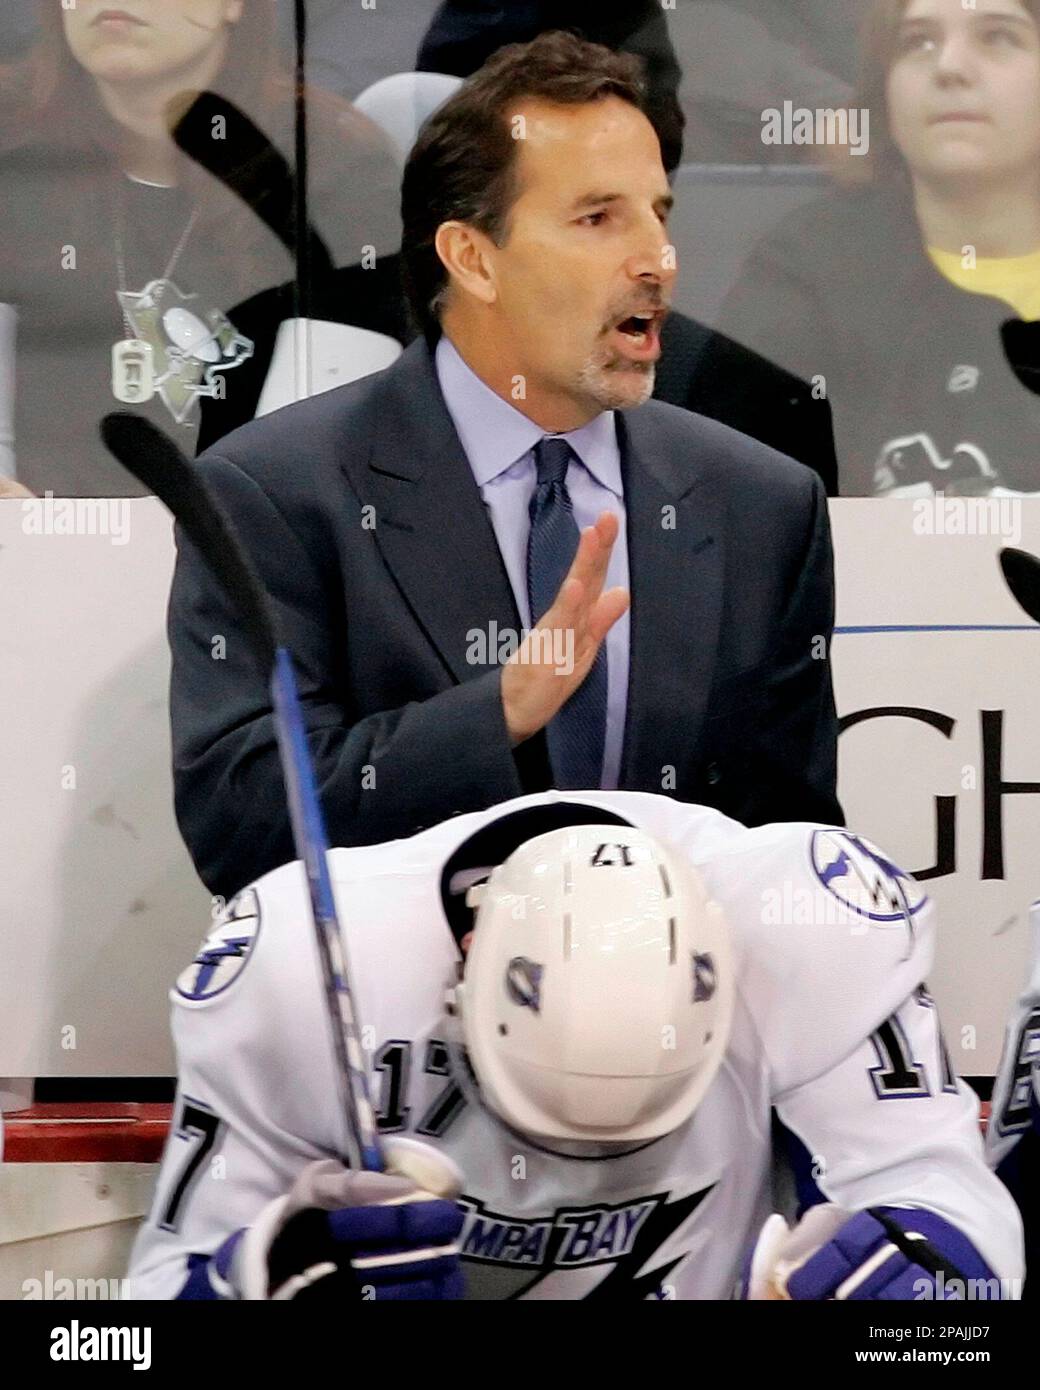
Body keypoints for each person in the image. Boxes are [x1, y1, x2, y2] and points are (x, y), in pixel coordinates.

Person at [169, 30, 842, 900]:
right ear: (472, 258)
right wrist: (501, 709)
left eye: (659, 214)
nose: (656, 260)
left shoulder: (762, 504)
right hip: (402, 1022)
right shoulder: (275, 492)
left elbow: (793, 848)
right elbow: (240, 821)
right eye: (599, 218)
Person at [128, 790, 1023, 1299]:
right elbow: (127, 1328)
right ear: (460, 976)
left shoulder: (812, 933)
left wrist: (930, 1280)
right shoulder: (299, 965)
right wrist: (259, 1277)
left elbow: (943, 1188)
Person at [0, 0, 408, 495]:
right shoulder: (14, 146)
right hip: (32, 537)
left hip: (248, 540)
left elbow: (314, 448)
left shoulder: (332, 162)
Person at [717, 0, 1040, 496]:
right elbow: (737, 511)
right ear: (884, 90)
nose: (950, 67)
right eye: (918, 43)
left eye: (997, 37)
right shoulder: (805, 269)